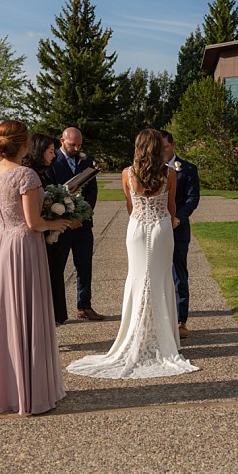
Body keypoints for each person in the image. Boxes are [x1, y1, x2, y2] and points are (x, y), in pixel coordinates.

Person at [67, 129, 198, 379]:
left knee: (138, 280)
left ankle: (135, 331)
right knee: (160, 280)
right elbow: (171, 209)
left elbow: (130, 206)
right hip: (161, 228)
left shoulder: (127, 173)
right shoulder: (170, 174)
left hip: (137, 229)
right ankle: (163, 337)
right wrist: (161, 221)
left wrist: (143, 218)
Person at [0, 120, 72, 415]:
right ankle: (32, 391)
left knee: (7, 314)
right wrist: (57, 222)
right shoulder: (26, 175)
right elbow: (34, 222)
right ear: (24, 144)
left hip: (3, 244)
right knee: (29, 312)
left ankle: (7, 391)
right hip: (25, 245)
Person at [46, 127, 103, 321]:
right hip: (60, 225)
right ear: (62, 141)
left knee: (85, 266)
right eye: (73, 144)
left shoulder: (86, 162)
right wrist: (67, 220)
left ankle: (84, 306)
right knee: (57, 268)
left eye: (80, 144)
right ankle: (54, 311)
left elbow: (92, 192)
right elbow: (49, 193)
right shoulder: (52, 162)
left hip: (83, 224)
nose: (77, 148)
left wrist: (82, 215)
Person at [22, 132, 75, 325]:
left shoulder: (41, 173)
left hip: (47, 234)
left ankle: (51, 321)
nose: (53, 155)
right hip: (38, 234)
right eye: (50, 151)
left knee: (53, 276)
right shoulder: (29, 175)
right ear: (39, 151)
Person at [161, 131, 200, 339]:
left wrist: (178, 218)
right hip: (156, 230)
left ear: (173, 145)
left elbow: (193, 198)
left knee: (178, 274)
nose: (162, 152)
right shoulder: (152, 170)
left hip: (178, 229)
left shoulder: (188, 169)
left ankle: (180, 320)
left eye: (165, 147)